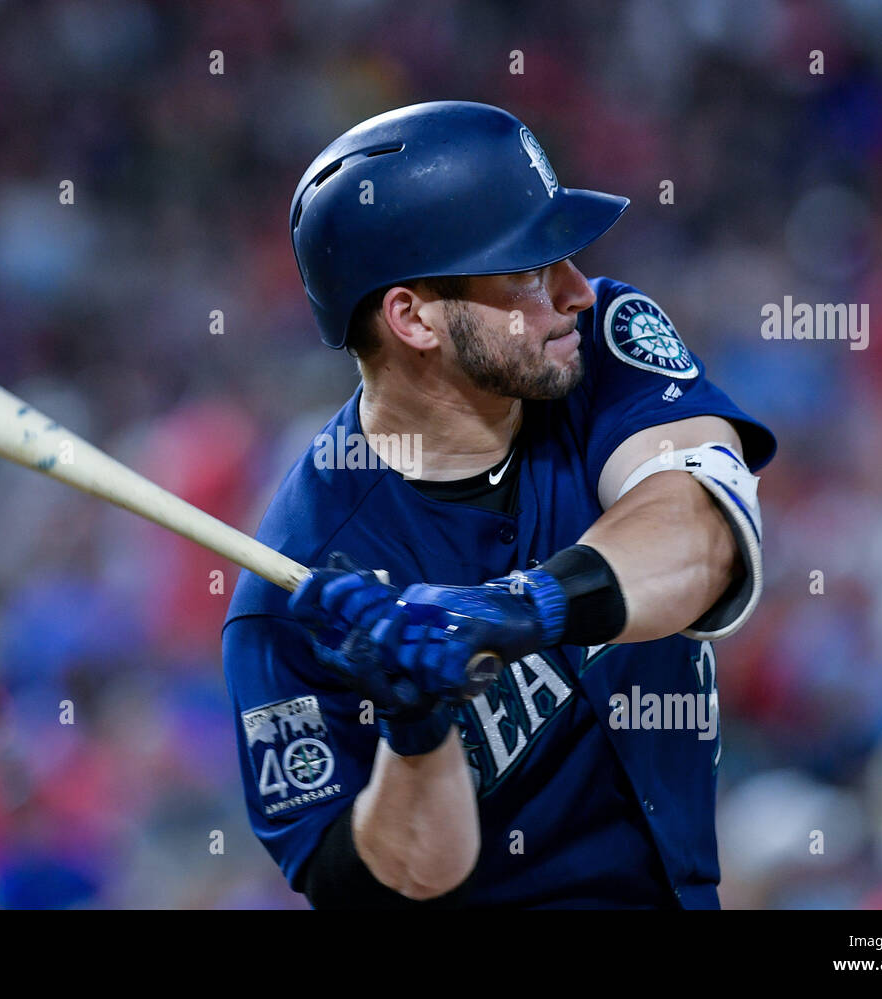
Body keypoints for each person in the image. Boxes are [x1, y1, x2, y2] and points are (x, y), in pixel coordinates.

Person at [222, 101, 776, 908]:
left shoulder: (599, 350)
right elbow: (386, 888)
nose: (578, 291)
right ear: (412, 317)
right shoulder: (291, 598)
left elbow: (700, 531)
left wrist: (511, 611)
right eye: (526, 269)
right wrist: (417, 735)